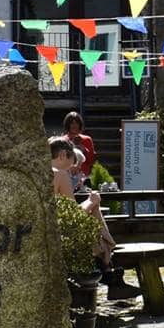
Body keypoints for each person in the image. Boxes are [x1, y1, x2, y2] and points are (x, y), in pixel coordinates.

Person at [50, 135, 116, 268]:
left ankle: (106, 258)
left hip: (45, 229)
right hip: (59, 234)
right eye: (69, 166)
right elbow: (72, 215)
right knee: (94, 208)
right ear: (62, 155)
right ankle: (106, 257)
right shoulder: (60, 174)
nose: (69, 171)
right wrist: (91, 201)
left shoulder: (39, 172)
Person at [62, 111, 98, 185]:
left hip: (83, 178)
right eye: (72, 123)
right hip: (66, 177)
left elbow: (91, 161)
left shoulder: (87, 139)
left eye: (76, 123)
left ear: (80, 124)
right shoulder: (62, 140)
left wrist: (84, 150)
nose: (74, 126)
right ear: (68, 124)